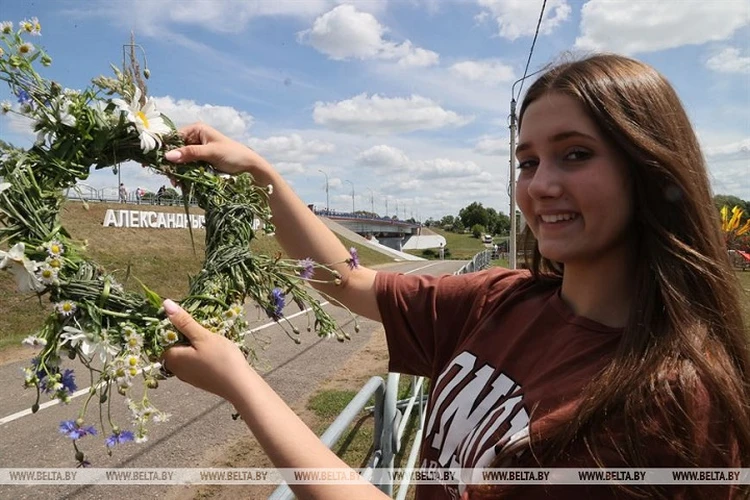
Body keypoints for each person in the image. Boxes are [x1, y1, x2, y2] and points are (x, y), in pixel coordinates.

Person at [160, 54, 749, 500]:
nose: (540, 184)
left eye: (575, 154)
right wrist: (263, 174)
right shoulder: (502, 298)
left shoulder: (669, 403)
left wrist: (242, 382)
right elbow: (345, 282)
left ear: (647, 167)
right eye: (527, 161)